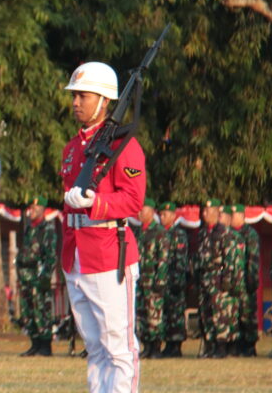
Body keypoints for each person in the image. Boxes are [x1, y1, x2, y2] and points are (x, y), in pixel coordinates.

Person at [59, 62, 145, 393]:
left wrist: (95, 203)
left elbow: (134, 200)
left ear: (105, 100)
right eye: (75, 95)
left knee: (119, 348)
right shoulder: (72, 148)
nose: (76, 102)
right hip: (77, 254)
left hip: (109, 253)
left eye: (83, 95)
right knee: (94, 349)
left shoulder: (123, 145)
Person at [194, 199, 243, 359]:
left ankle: (222, 346)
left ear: (217, 213)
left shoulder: (224, 233)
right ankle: (210, 345)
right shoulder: (203, 233)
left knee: (220, 314)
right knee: (206, 313)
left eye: (209, 211)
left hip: (219, 279)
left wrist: (228, 281)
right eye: (204, 211)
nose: (205, 214)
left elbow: (231, 259)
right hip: (205, 278)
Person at [18, 196, 58, 357]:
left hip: (39, 276)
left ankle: (45, 345)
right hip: (26, 276)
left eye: (35, 208)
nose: (31, 211)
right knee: (27, 311)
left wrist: (45, 277)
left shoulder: (47, 229)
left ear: (42, 210)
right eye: (30, 208)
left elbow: (51, 256)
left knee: (41, 310)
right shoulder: (29, 228)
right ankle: (34, 343)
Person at [133, 198, 169, 359]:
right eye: (139, 210)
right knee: (141, 314)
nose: (140, 213)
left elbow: (163, 258)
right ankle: (146, 345)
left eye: (144, 209)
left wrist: (160, 280)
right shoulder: (138, 232)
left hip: (153, 280)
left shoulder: (159, 232)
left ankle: (156, 346)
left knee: (154, 314)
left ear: (153, 212)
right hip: (140, 280)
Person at [227, 204, 260, 356]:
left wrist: (251, 278)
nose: (231, 219)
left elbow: (253, 258)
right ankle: (237, 344)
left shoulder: (250, 233)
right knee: (234, 314)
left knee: (247, 314)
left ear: (241, 216)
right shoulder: (229, 233)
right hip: (233, 282)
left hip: (246, 281)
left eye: (233, 215)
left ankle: (250, 345)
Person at [157, 202, 188, 357]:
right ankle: (168, 344)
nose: (163, 217)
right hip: (163, 281)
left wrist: (177, 280)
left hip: (175, 280)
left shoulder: (178, 234)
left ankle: (176, 345)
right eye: (161, 214)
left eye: (166, 214)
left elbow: (180, 259)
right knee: (166, 314)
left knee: (175, 313)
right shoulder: (160, 233)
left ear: (174, 216)